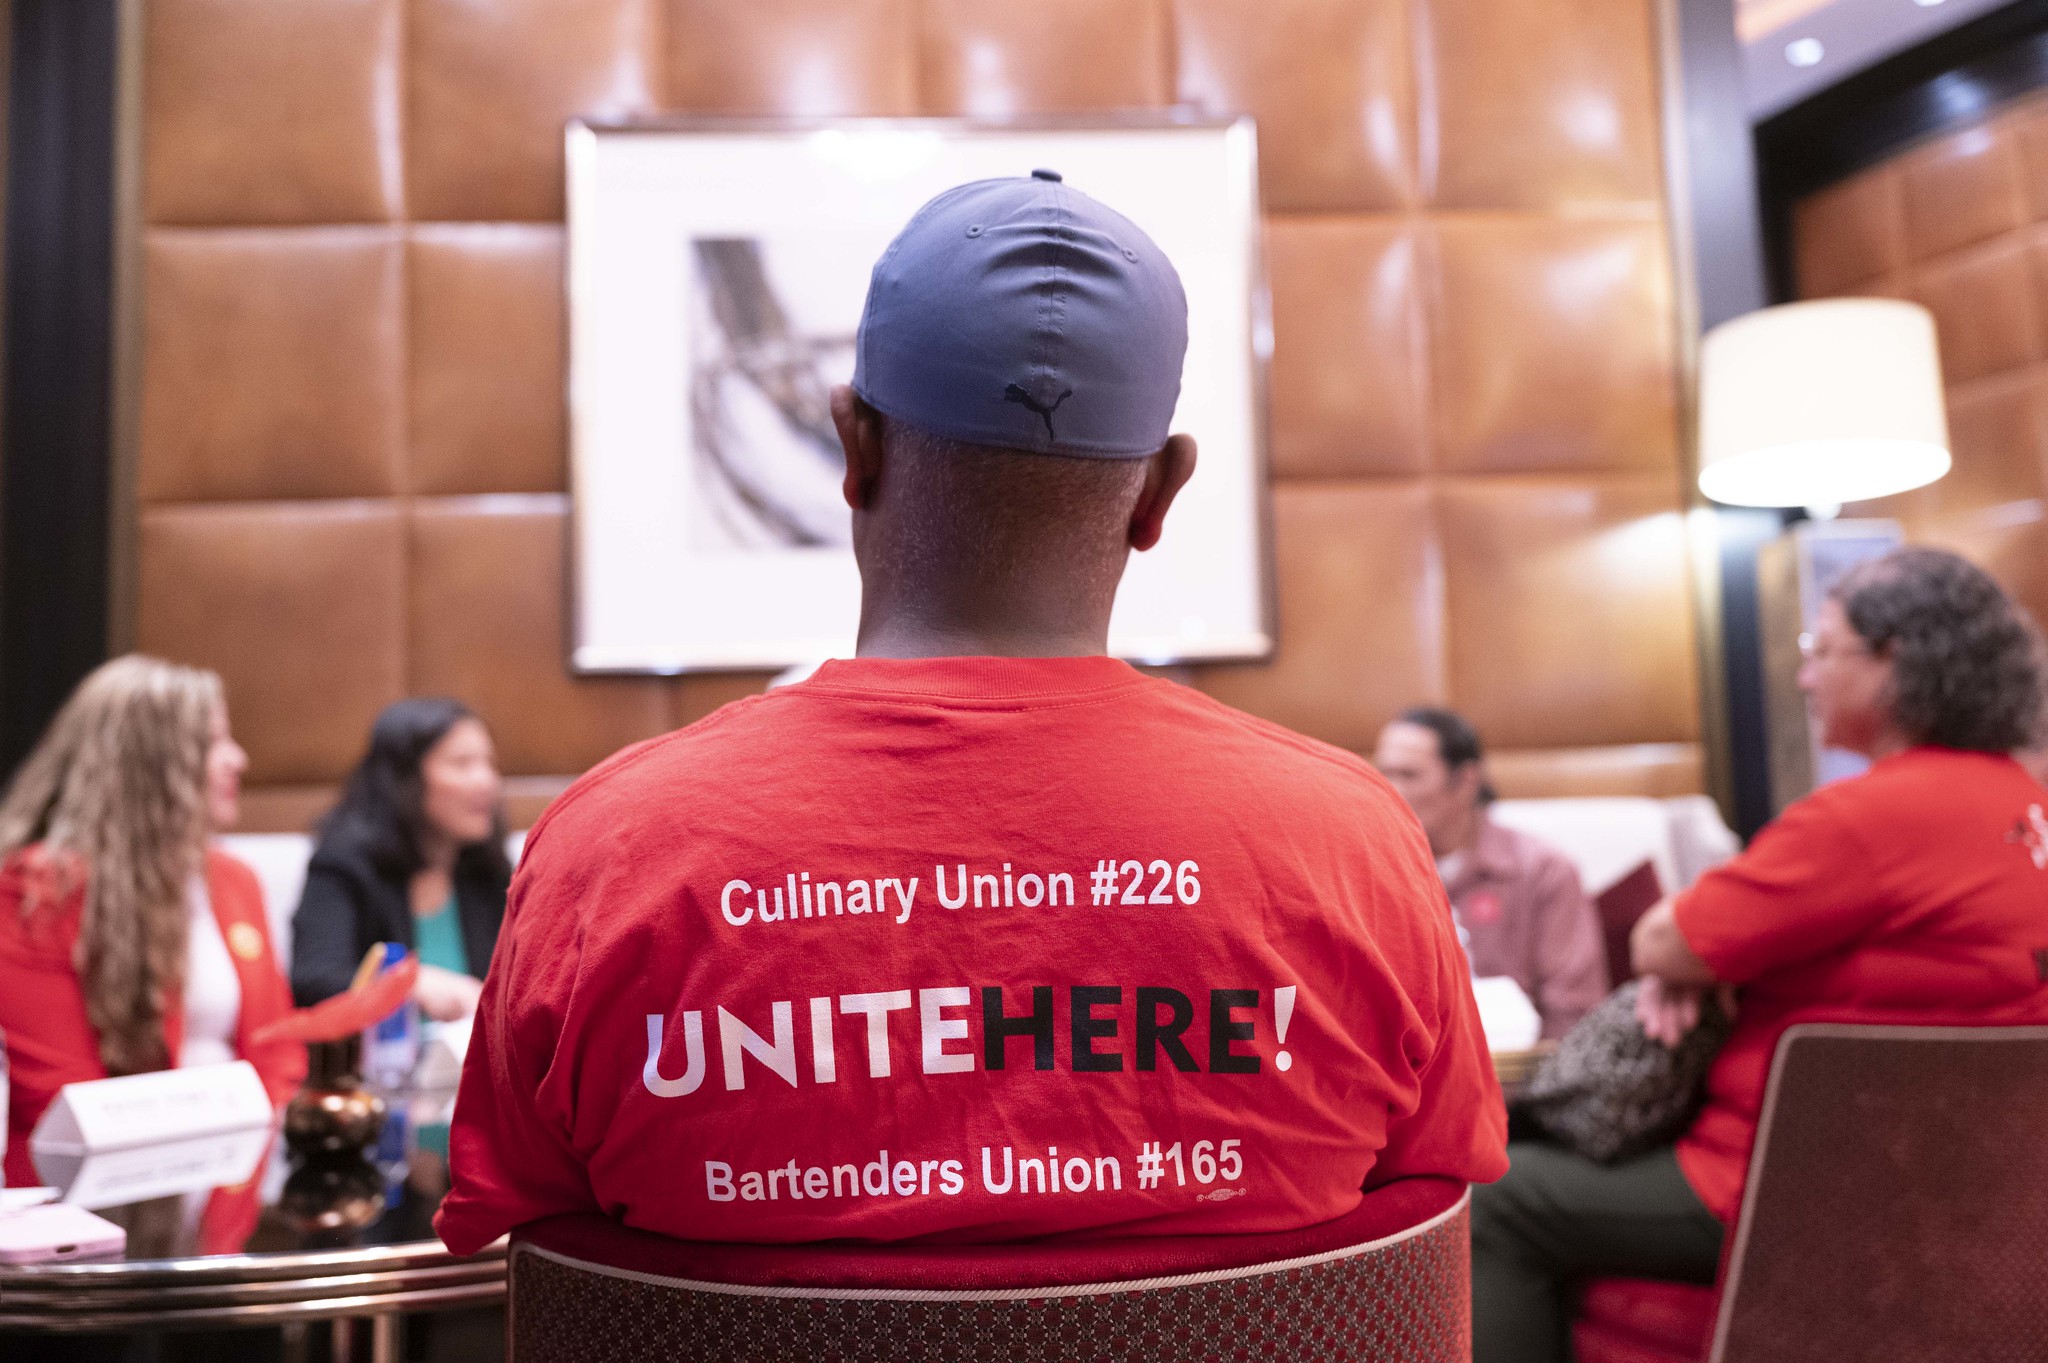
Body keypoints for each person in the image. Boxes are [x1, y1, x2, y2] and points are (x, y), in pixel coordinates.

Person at [434, 171, 1506, 1255]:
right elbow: (1422, 1218)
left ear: (851, 450)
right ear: (1158, 496)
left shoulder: (607, 853)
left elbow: (529, 1236)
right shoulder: (1355, 848)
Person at [1471, 547, 2048, 1363]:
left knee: (1495, 1197)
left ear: (1894, 662)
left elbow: (1659, 941)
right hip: (1979, 1192)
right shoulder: (2026, 805)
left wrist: (1699, 965)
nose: (1806, 677)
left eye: (1821, 650)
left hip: (1793, 1187)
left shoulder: (1865, 820)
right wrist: (1721, 969)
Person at [0, 656, 304, 1187]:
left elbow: (278, 1053)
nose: (239, 758)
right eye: (213, 743)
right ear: (149, 765)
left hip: (231, 1189)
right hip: (94, 1201)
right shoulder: (36, 895)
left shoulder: (235, 880)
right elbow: (60, 1100)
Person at [1374, 707, 1608, 1038]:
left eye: (1409, 775)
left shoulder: (1542, 871)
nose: (1390, 790)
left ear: (1467, 780)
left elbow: (1573, 1013)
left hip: (1518, 1075)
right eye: (1384, 774)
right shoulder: (1369, 872)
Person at [291, 698, 510, 1021]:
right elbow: (315, 980)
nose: (486, 781)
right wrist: (408, 984)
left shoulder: (488, 872)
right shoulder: (345, 864)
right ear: (406, 778)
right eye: (462, 764)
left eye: (489, 764)